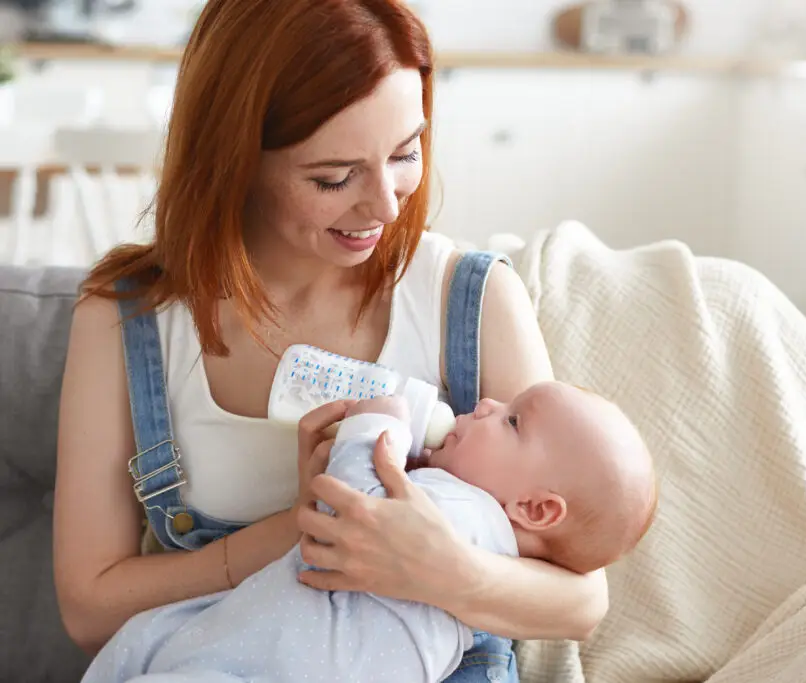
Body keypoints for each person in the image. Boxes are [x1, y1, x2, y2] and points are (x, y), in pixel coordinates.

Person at [53, 2, 609, 681]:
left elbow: (582, 599)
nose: (385, 205)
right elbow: (88, 610)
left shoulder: (471, 298)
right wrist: (309, 525)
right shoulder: (126, 319)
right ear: (235, 158)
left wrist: (445, 567)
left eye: (406, 153)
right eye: (334, 177)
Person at [81, 383, 657, 683]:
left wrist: (373, 424)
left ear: (534, 508)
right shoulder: (473, 521)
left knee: (149, 644)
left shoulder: (466, 511)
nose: (486, 401)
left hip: (276, 665)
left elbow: (351, 510)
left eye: (512, 420)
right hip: (283, 653)